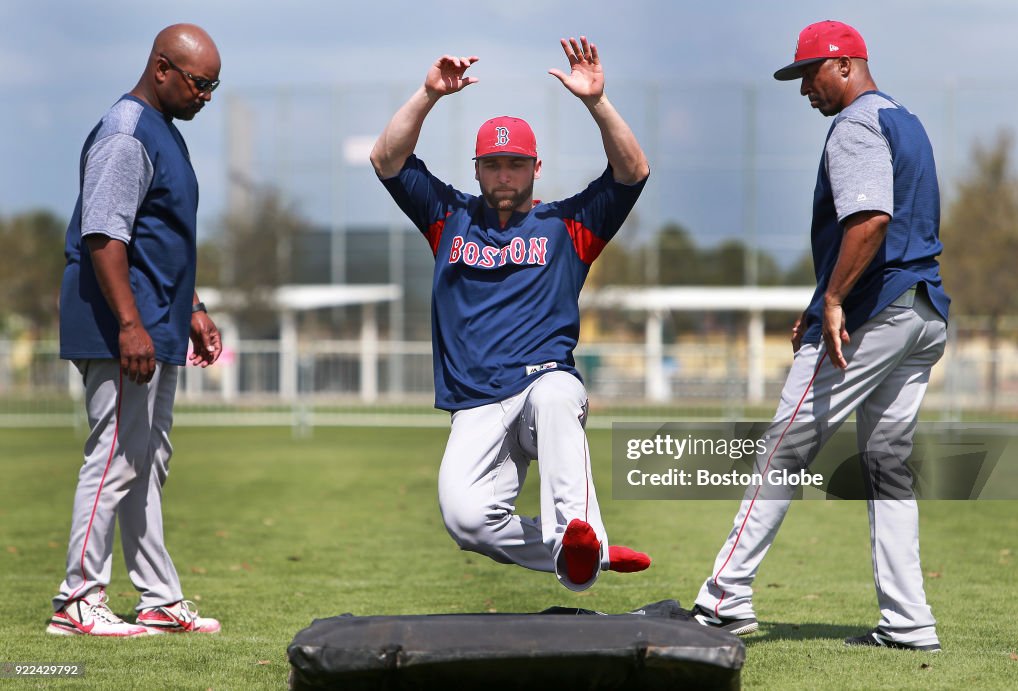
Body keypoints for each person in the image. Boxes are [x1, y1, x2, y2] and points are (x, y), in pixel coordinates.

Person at [688, 20, 949, 651]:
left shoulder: (856, 123)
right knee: (888, 468)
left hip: (871, 317)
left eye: (808, 74)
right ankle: (909, 622)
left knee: (784, 444)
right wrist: (822, 299)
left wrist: (833, 299)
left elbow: (870, 219)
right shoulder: (904, 120)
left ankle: (725, 594)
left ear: (843, 65)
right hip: (922, 313)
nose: (804, 89)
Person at [371, 37, 652, 591]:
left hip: (540, 389)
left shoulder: (568, 225)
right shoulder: (447, 217)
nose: (505, 174)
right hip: (475, 403)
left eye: (515, 164)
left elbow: (632, 172)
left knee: (554, 394)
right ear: (477, 169)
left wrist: (597, 101)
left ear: (535, 168)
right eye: (493, 164)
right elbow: (386, 159)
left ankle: (579, 528)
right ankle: (580, 554)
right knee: (467, 520)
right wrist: (429, 94)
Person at [49, 24, 224, 637]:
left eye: (214, 86)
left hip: (157, 319)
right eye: (200, 83)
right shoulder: (126, 134)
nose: (207, 95)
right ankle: (76, 601)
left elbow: (159, 239)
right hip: (120, 325)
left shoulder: (164, 134)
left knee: (146, 461)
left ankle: (157, 598)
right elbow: (104, 234)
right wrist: (130, 324)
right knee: (116, 457)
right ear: (161, 69)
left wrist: (194, 306)